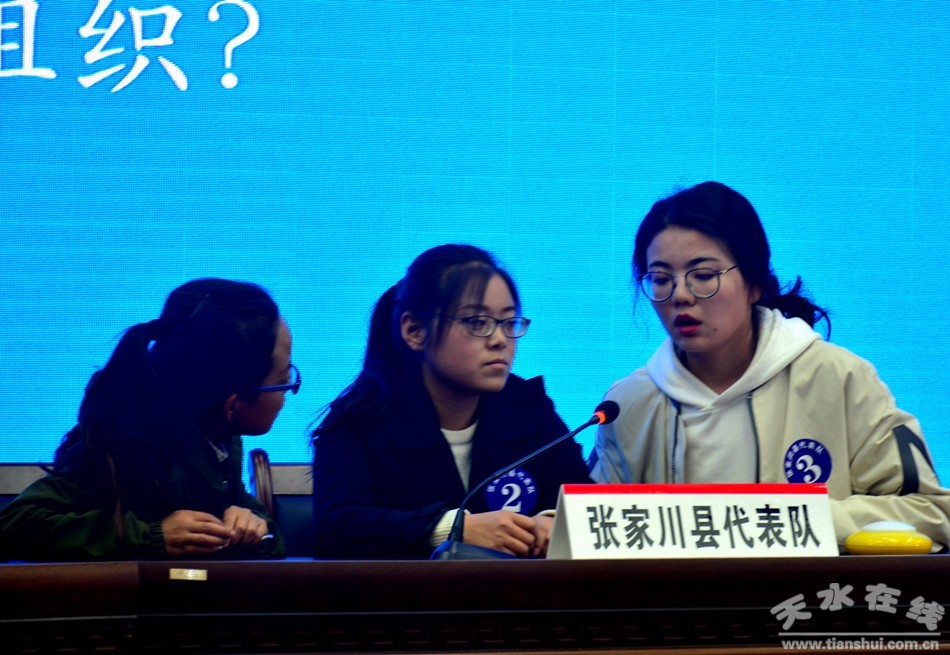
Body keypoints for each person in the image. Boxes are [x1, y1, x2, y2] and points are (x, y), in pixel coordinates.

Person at [590, 181, 950, 550]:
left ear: (754, 284)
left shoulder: (839, 379)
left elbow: (932, 512)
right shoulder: (627, 404)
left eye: (703, 276)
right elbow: (589, 529)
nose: (680, 295)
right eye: (661, 279)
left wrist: (785, 521)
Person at [311, 244, 591, 559]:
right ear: (414, 331)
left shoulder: (528, 407)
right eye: (478, 323)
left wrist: (553, 522)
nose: (500, 340)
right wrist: (449, 528)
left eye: (508, 322)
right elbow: (335, 527)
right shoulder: (359, 420)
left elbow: (587, 502)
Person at [0, 278, 299, 561]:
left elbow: (268, 537)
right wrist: (150, 536)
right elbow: (16, 523)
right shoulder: (124, 441)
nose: (288, 390)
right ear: (232, 405)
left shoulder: (218, 440)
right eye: (283, 380)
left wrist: (255, 528)